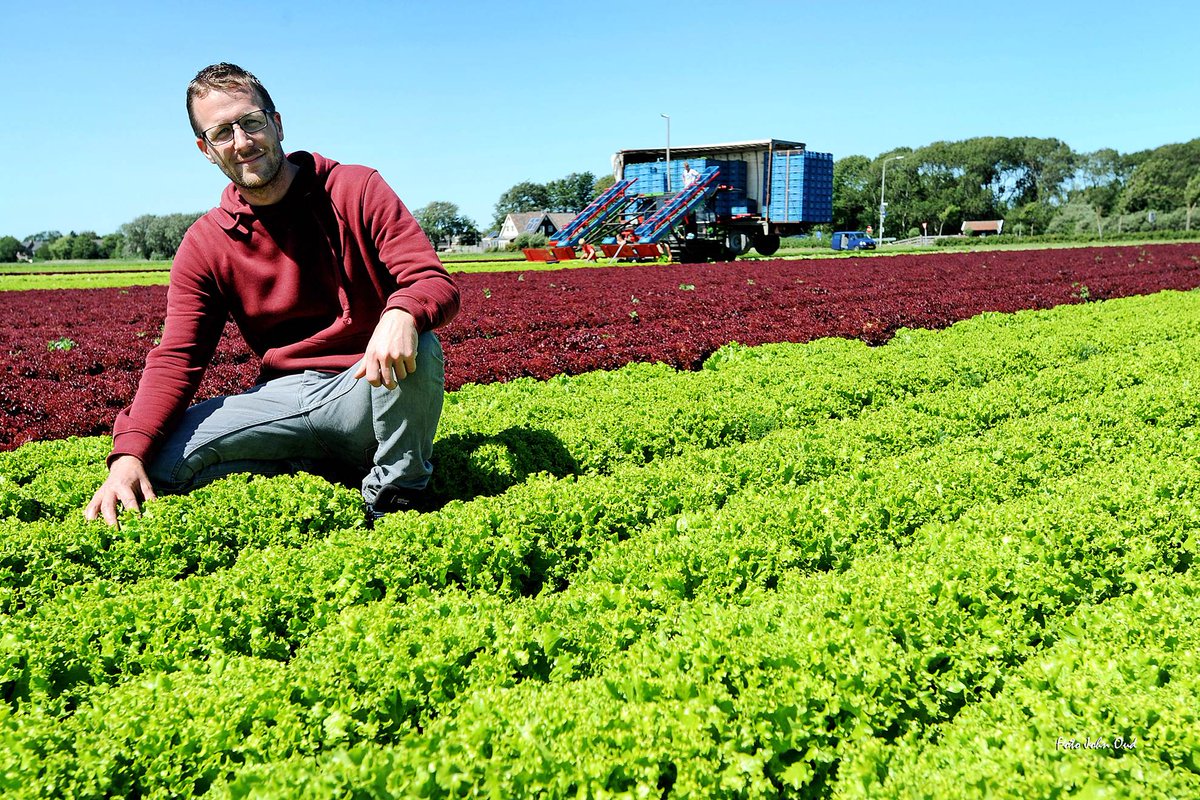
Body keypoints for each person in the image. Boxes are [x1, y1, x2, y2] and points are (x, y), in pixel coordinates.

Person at [84, 63, 460, 528]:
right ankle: (319, 465)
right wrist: (127, 454)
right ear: (205, 149)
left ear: (276, 123)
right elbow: (177, 357)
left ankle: (398, 495)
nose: (242, 142)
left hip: (366, 389)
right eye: (222, 132)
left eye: (251, 122)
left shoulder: (356, 188)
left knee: (419, 342)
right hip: (286, 399)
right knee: (157, 465)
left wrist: (402, 310)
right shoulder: (206, 243)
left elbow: (433, 281)